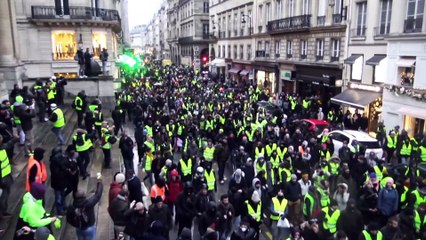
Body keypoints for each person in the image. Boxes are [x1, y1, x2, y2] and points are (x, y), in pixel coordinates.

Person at [67, 175, 103, 240]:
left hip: (79, 228)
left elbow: (68, 219)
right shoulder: (88, 204)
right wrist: (99, 182)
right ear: (83, 196)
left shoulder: (72, 207)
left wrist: (75, 225)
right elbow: (97, 195)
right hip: (89, 227)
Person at [0, 134, 18, 219]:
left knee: (5, 195)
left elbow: (8, 145)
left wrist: (14, 139)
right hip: (3, 179)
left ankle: (4, 210)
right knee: (3, 197)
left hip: (6, 176)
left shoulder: (2, 148)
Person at [49, 147, 69, 215]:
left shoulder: (61, 160)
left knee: (62, 195)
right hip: (57, 183)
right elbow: (56, 174)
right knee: (58, 198)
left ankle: (64, 206)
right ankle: (59, 210)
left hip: (62, 182)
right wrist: (65, 171)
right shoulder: (54, 163)